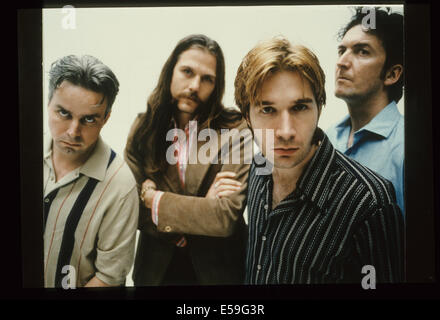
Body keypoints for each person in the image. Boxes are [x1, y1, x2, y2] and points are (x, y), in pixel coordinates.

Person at [234, 37, 404, 284]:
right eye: (267, 110)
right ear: (247, 118)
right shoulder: (259, 165)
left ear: (319, 108)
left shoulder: (370, 202)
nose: (285, 131)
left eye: (299, 108)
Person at [125, 34, 252, 286]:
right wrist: (201, 211)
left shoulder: (236, 129)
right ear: (170, 71)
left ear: (217, 86)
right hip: (156, 273)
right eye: (187, 71)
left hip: (220, 273)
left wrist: (153, 198)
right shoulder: (144, 127)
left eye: (207, 79)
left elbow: (224, 218)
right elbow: (130, 209)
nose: (195, 85)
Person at [43, 55, 139, 288]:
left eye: (88, 119)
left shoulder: (121, 185)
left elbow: (108, 277)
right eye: (63, 113)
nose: (73, 132)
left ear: (106, 118)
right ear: (47, 104)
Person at [327, 7, 404, 214]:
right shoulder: (327, 139)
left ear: (391, 74)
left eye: (362, 51)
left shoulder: (407, 147)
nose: (341, 62)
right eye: (342, 50)